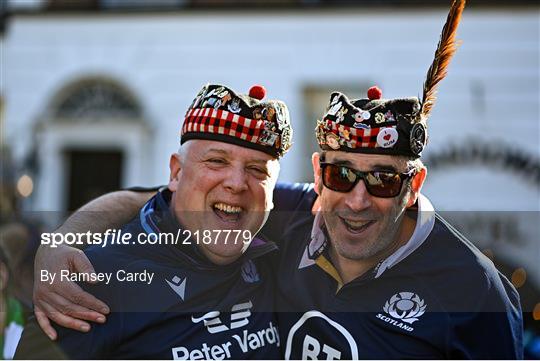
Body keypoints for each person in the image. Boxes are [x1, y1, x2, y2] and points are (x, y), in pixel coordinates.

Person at [24, 0, 524, 358]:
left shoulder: (475, 291)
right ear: (317, 178)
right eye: (341, 173)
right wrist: (63, 241)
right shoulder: (295, 219)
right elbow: (140, 198)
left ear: (413, 187)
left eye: (383, 182)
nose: (357, 199)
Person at [14, 83, 293, 359]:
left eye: (257, 170)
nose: (237, 183)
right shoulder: (93, 281)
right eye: (217, 161)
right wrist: (56, 243)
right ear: (176, 173)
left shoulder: (285, 245)